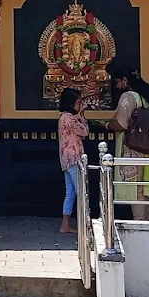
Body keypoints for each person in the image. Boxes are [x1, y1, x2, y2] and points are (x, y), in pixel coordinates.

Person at [100, 67, 149, 221]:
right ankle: (146, 225)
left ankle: (139, 227)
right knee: (147, 190)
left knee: (137, 191)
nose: (117, 86)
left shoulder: (128, 97)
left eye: (118, 82)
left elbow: (121, 125)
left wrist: (106, 125)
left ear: (125, 81)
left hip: (133, 151)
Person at [57, 87, 88, 234]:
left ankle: (65, 224)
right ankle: (84, 223)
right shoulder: (69, 118)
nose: (79, 105)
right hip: (74, 157)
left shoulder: (64, 117)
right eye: (78, 102)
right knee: (81, 191)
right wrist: (82, 114)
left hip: (66, 158)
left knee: (70, 192)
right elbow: (85, 132)